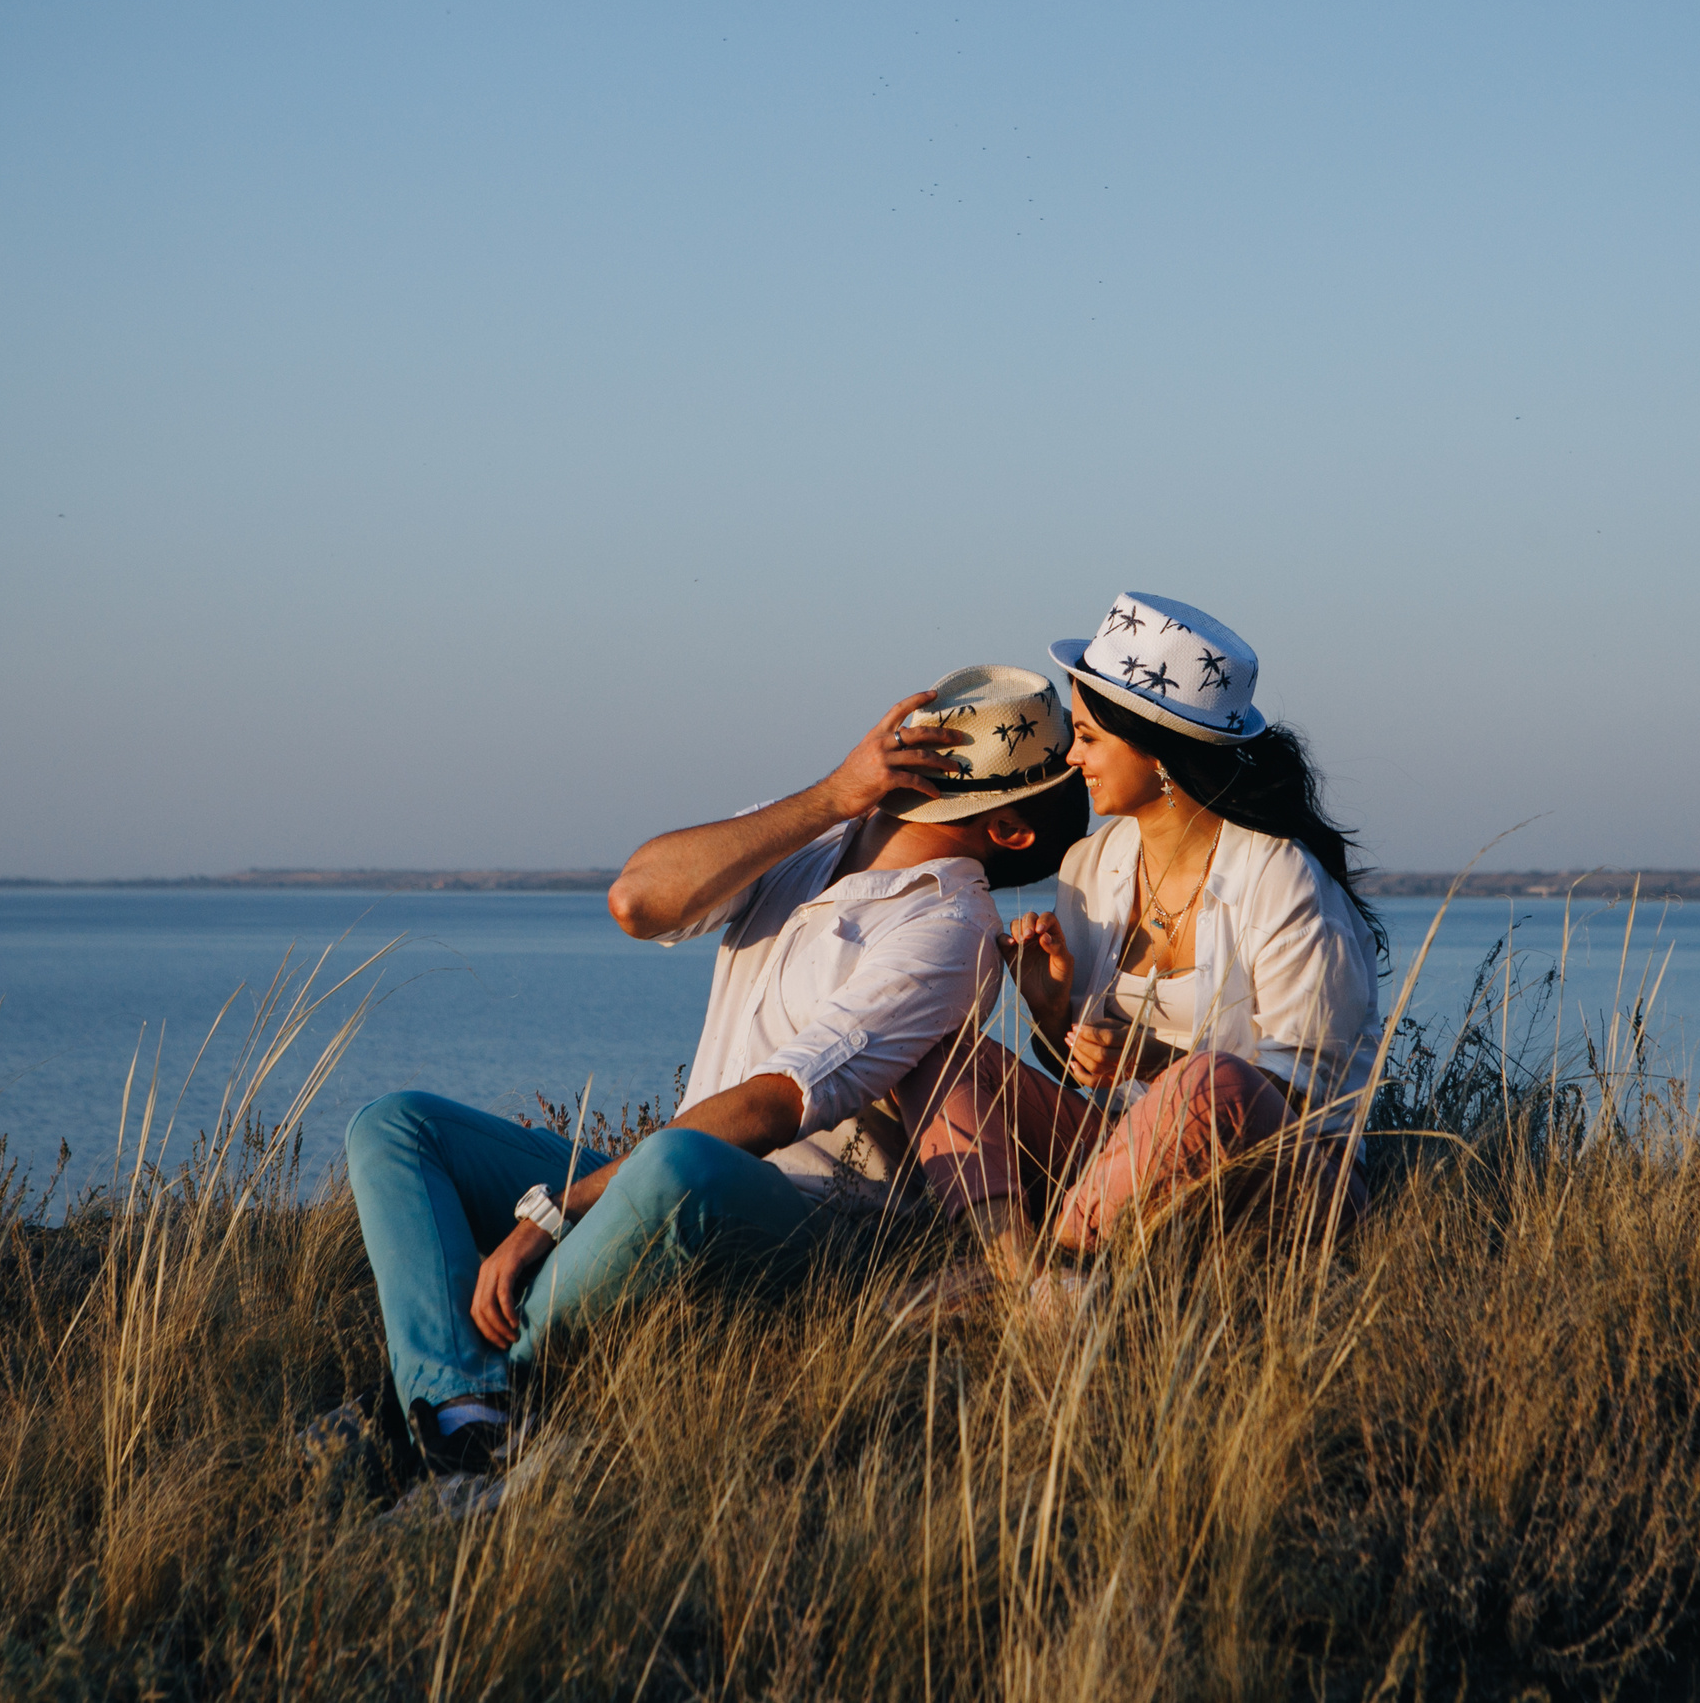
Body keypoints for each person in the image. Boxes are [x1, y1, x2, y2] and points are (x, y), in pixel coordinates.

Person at [343, 665, 1089, 1472]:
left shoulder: (950, 927)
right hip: (670, 1179)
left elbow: (773, 1106)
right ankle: (462, 1404)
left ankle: (478, 1393)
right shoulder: (810, 843)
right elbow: (637, 900)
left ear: (1008, 830)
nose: (917, 748)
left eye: (955, 750)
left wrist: (554, 1213)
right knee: (397, 1126)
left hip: (804, 1225)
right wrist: (832, 796)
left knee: (678, 1159)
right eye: (926, 731)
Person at [915, 592, 1385, 1268]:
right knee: (945, 1056)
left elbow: (1308, 1102)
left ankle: (1065, 1268)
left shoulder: (1279, 874)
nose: (1071, 758)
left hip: (1291, 1180)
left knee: (1212, 1081)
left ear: (1157, 751)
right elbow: (1090, 1073)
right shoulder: (1090, 867)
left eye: (1089, 737)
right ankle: (1022, 1274)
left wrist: (1153, 1065)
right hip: (1130, 1158)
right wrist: (1049, 1014)